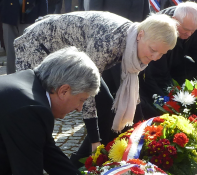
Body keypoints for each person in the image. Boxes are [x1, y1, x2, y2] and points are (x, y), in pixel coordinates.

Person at [14, 12, 178, 163]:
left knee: (106, 103)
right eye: (153, 50)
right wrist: (94, 139)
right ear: (141, 35)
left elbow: (132, 94)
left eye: (161, 54)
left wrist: (141, 133)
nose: (155, 57)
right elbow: (87, 93)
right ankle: (27, 161)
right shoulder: (109, 42)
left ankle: (81, 163)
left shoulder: (134, 39)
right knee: (39, 108)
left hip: (68, 54)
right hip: (37, 44)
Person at [138, 3, 197, 117]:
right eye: (186, 30)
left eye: (193, 30)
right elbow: (158, 73)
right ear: (174, 20)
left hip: (174, 64)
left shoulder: (192, 23)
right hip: (151, 71)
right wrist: (170, 103)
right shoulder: (160, 28)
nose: (189, 34)